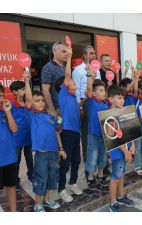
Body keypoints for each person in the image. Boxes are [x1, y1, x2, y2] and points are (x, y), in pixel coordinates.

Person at [24, 71, 67, 212]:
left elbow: (57, 132)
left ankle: (48, 200)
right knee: (40, 178)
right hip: (42, 154)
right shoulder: (32, 116)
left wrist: (61, 148)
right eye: (38, 101)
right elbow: (29, 100)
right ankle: (38, 204)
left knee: (51, 178)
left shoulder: (49, 117)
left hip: (54, 153)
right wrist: (26, 81)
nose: (41, 103)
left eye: (42, 100)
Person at [55, 47, 83, 203]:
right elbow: (66, 74)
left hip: (76, 132)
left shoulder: (73, 97)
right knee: (65, 163)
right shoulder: (63, 94)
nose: (73, 81)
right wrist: (70, 57)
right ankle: (61, 189)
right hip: (66, 132)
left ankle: (72, 183)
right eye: (70, 81)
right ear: (64, 86)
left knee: (76, 160)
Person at [108, 86, 136, 212]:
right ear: (111, 100)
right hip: (118, 153)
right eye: (119, 98)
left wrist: (133, 145)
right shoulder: (108, 116)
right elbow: (113, 137)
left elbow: (130, 131)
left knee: (121, 175)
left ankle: (121, 196)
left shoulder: (125, 112)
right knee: (115, 177)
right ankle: (112, 201)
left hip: (127, 151)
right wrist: (126, 152)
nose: (122, 100)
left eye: (123, 98)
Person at [72, 46, 100, 162]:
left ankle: (98, 156)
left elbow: (100, 85)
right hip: (85, 102)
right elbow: (76, 90)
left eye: (94, 53)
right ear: (84, 55)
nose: (93, 55)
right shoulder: (77, 70)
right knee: (86, 132)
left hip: (97, 102)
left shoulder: (97, 69)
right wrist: (80, 106)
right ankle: (87, 158)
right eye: (90, 53)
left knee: (97, 129)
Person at [84, 70, 110, 190]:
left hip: (104, 135)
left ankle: (100, 175)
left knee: (102, 156)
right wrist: (90, 77)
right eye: (100, 90)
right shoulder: (91, 102)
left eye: (104, 90)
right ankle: (90, 177)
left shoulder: (106, 104)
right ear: (94, 93)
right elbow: (88, 89)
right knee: (92, 156)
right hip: (93, 135)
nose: (103, 92)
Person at [9, 81, 33, 189]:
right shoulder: (11, 105)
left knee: (29, 158)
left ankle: (31, 175)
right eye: (22, 89)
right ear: (15, 91)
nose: (25, 91)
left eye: (25, 88)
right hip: (17, 138)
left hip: (29, 136)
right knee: (16, 160)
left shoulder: (29, 103)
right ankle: (15, 180)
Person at [0, 84, 18, 212]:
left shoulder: (6, 111)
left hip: (9, 157)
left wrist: (7, 112)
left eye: (2, 95)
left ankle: (13, 212)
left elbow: (14, 129)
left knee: (11, 186)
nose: (1, 98)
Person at [41, 42, 68, 116]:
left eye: (67, 52)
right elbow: (45, 89)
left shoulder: (64, 66)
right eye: (63, 51)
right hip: (57, 109)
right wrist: (52, 109)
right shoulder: (48, 67)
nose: (66, 54)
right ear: (54, 52)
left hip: (66, 106)